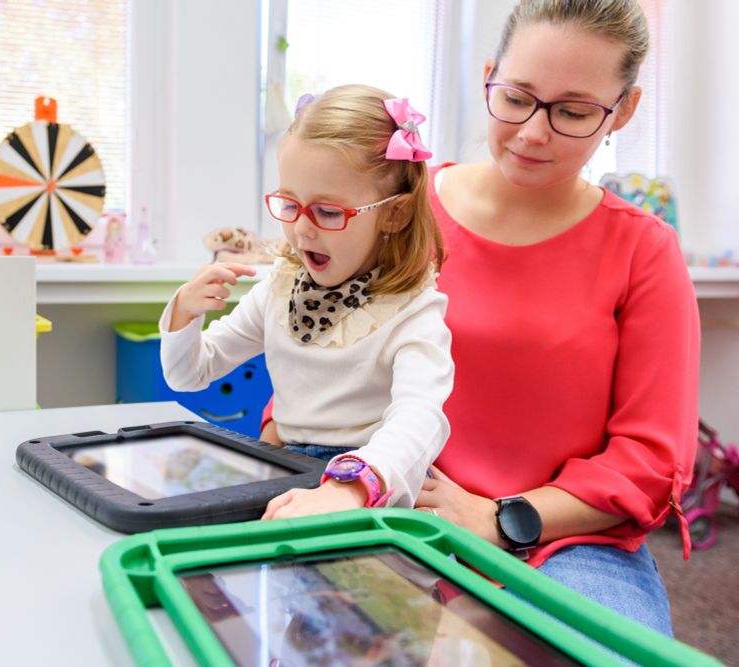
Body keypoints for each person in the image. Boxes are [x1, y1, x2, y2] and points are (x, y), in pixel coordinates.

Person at [261, 0, 699, 637]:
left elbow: (650, 459)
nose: (531, 133)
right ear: (490, 76)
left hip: (564, 541)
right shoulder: (401, 208)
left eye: (573, 112)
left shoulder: (642, 250)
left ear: (622, 111)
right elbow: (319, 338)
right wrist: (282, 454)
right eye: (517, 97)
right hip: (377, 499)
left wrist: (501, 517)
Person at [159, 85, 454, 519]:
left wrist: (352, 487)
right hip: (288, 469)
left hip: (374, 481)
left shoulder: (413, 311)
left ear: (395, 214)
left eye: (329, 213)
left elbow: (419, 419)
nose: (301, 230)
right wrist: (185, 312)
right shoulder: (279, 290)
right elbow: (190, 375)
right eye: (289, 204)